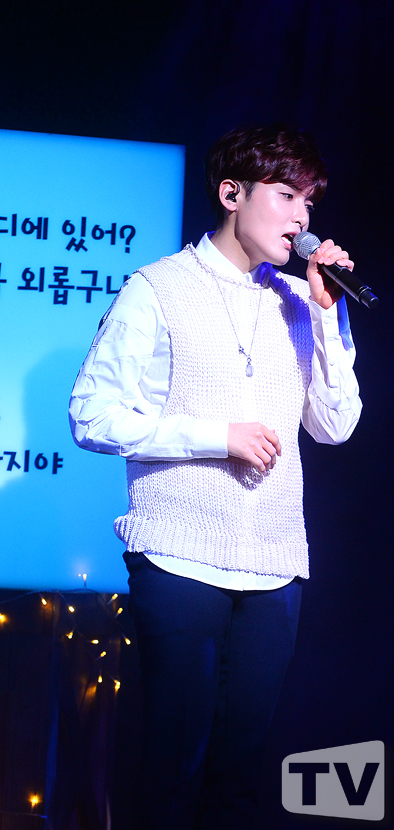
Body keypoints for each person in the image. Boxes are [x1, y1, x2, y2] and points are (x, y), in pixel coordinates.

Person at [69, 124, 362, 829]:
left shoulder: (301, 301)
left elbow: (336, 424)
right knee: (174, 764)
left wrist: (329, 318)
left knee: (241, 775)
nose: (301, 219)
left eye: (310, 203)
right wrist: (216, 437)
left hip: (274, 563)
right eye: (287, 196)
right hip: (179, 555)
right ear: (233, 194)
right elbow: (91, 414)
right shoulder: (158, 288)